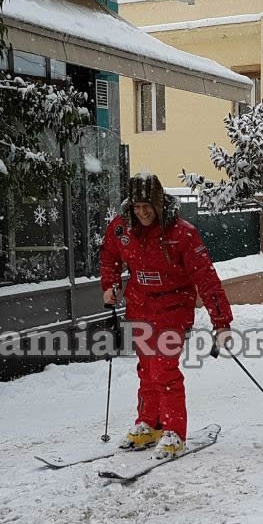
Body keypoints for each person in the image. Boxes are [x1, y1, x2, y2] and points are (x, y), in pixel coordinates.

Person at [100, 172, 233, 459]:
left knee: (163, 369)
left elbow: (206, 278)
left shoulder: (182, 234)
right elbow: (109, 253)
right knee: (147, 369)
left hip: (174, 306)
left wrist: (221, 322)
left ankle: (174, 431)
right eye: (136, 206)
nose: (142, 212)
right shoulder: (122, 229)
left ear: (159, 203)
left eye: (147, 205)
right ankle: (150, 423)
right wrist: (110, 284)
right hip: (139, 305)